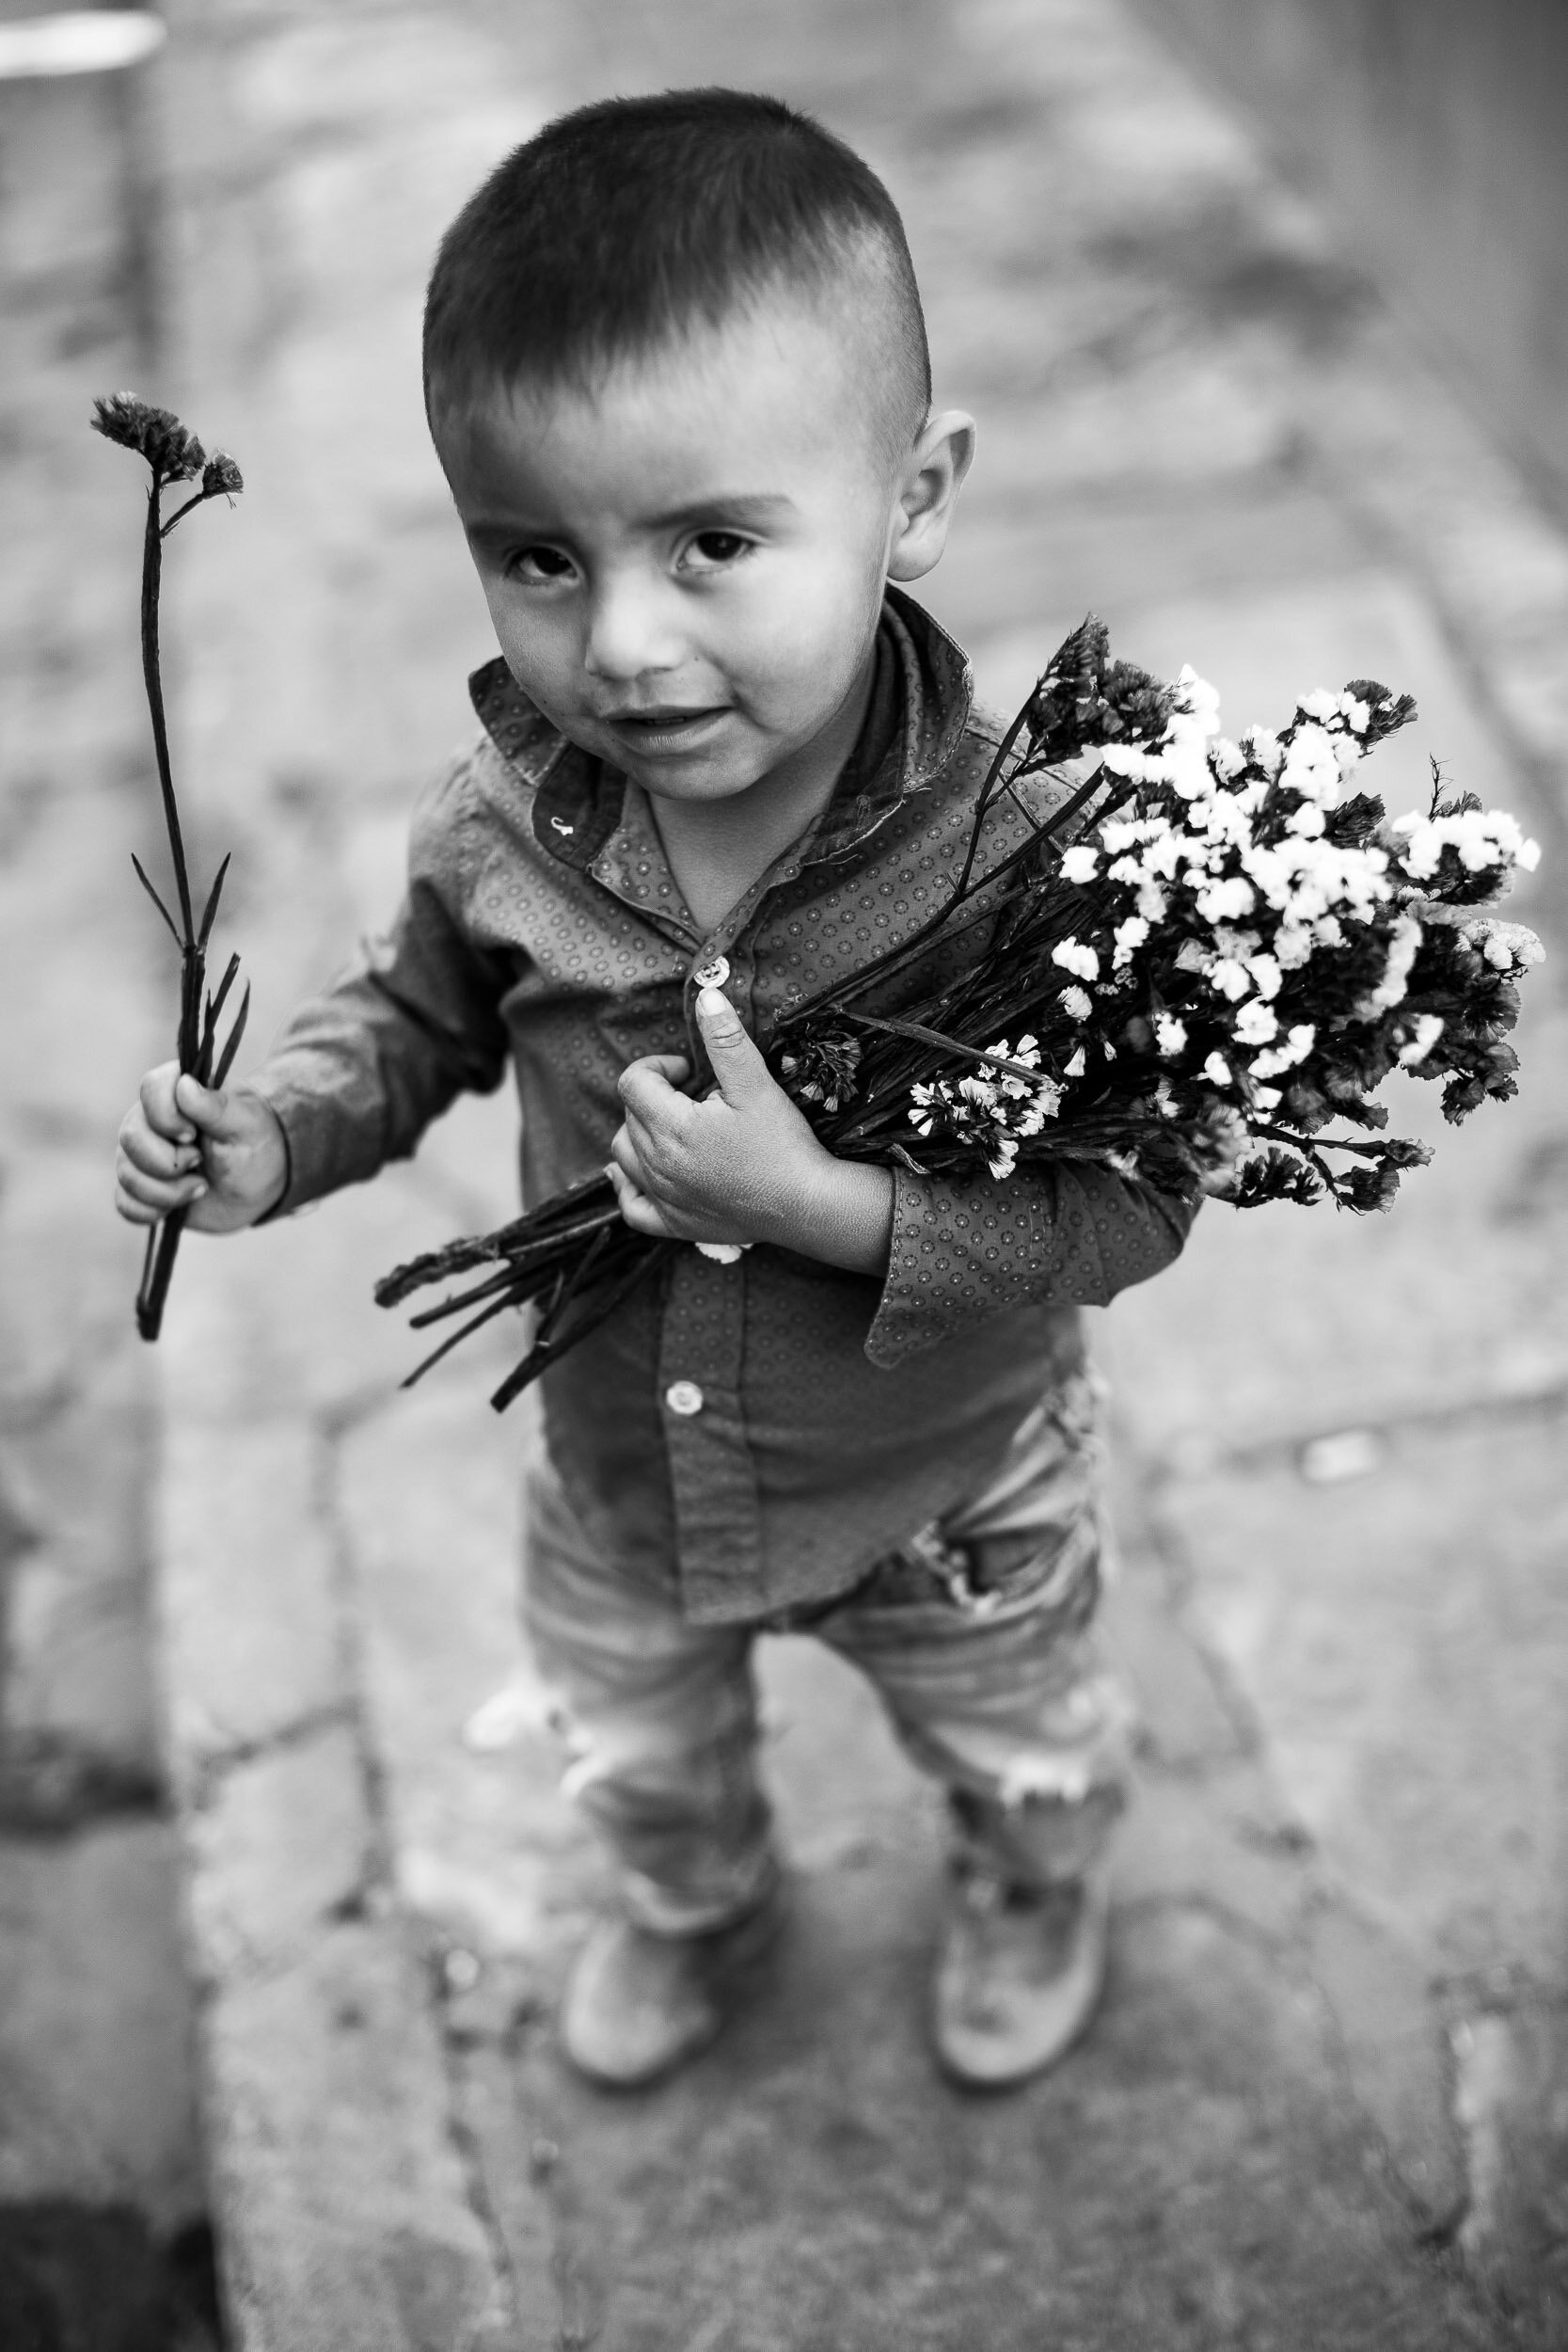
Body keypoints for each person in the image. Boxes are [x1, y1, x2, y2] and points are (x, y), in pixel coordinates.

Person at [115, 88, 1196, 2090]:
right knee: (642, 1747)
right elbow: (419, 1016)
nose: (616, 644)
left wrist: (830, 1208)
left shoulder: (1028, 853)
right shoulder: (501, 823)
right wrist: (278, 1135)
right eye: (535, 556)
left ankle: (1034, 1871)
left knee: (1017, 1732)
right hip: (626, 1467)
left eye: (712, 542)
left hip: (944, 1479)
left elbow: (1133, 1202)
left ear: (917, 492)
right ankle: (705, 1899)